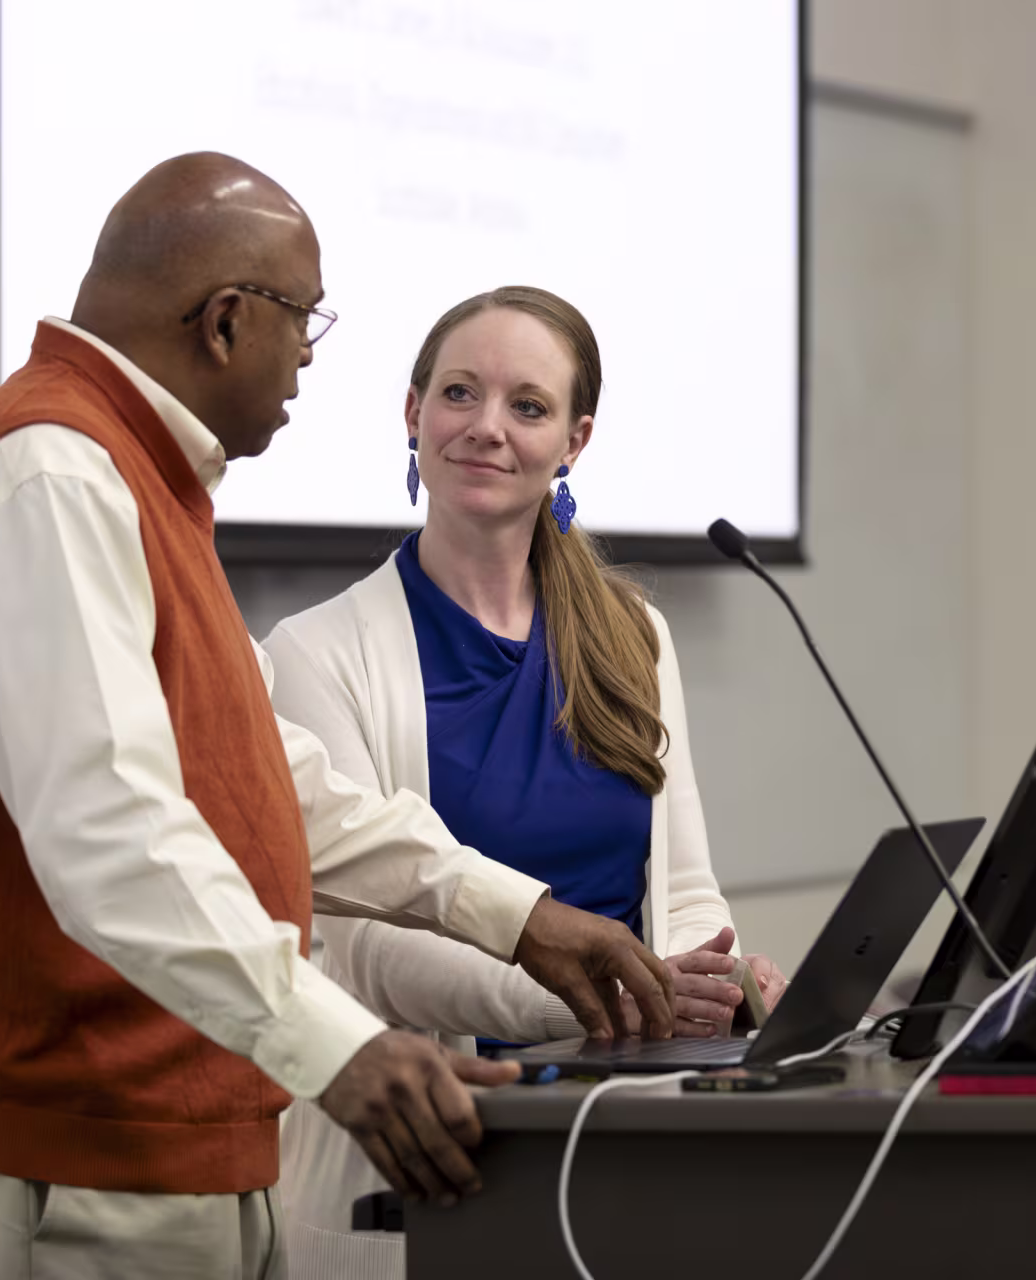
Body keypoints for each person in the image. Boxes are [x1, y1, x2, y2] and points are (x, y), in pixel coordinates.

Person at [0, 158, 677, 1280]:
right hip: (65, 1148)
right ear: (228, 321)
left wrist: (520, 913)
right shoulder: (54, 475)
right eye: (307, 321)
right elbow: (115, 837)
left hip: (172, 1133)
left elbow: (270, 779)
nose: (307, 359)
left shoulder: (134, 479)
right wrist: (338, 1045)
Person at [264, 286, 789, 1275]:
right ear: (412, 410)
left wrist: (715, 981)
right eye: (458, 392)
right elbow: (376, 952)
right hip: (437, 1148)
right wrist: (620, 1000)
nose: (486, 428)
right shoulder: (317, 652)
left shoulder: (634, 630)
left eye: (528, 405)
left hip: (631, 1125)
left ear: (575, 439)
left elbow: (680, 889)